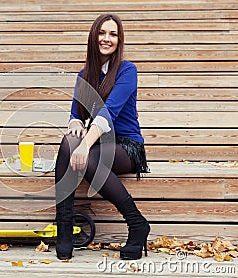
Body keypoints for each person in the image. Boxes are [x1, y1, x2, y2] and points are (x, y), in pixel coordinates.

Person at [55, 14, 150, 260]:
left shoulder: (127, 70)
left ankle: (137, 223)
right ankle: (63, 227)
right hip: (99, 143)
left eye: (113, 34)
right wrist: (75, 124)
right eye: (102, 33)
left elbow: (109, 113)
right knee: (68, 142)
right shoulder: (84, 74)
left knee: (86, 157)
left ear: (119, 40)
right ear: (94, 36)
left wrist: (85, 144)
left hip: (127, 146)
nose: (107, 39)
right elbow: (75, 113)